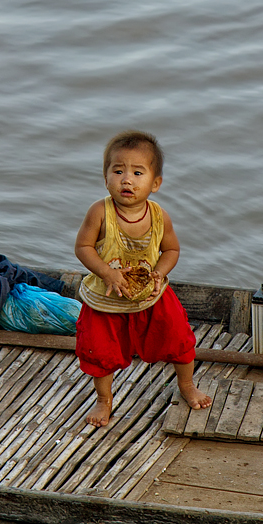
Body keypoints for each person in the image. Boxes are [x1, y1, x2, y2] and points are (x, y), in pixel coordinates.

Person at [75, 130, 211, 426]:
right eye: (118, 171)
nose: (127, 180)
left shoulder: (159, 216)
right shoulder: (100, 212)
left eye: (138, 173)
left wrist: (160, 272)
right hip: (106, 298)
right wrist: (107, 272)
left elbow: (171, 250)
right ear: (105, 178)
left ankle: (187, 384)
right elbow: (83, 247)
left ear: (155, 183)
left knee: (178, 337)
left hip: (151, 295)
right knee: (100, 351)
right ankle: (104, 400)